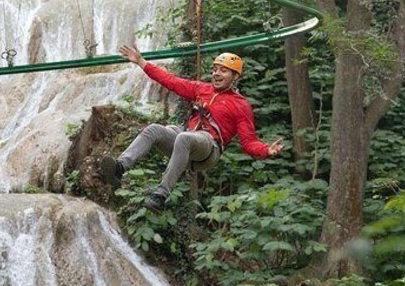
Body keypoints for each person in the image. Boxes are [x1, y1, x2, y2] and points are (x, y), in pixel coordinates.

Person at [101, 44, 283, 211]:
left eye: (224, 71)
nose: (217, 74)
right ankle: (120, 168)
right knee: (155, 129)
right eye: (215, 69)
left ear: (235, 76)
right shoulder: (201, 88)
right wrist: (141, 62)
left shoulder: (240, 105)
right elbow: (170, 81)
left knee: (184, 137)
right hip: (188, 138)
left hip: (209, 149)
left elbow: (248, 142)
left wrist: (266, 150)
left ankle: (160, 196)